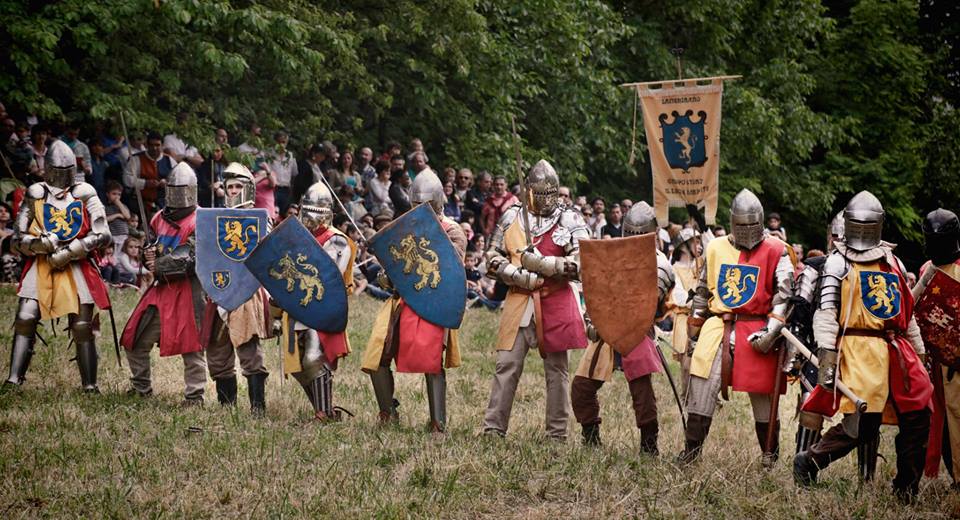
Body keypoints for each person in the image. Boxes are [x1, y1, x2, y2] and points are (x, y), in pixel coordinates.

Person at [794, 192, 932, 501]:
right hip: (857, 349)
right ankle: (809, 461)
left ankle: (906, 488)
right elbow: (826, 315)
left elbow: (904, 312)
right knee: (862, 426)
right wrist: (828, 359)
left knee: (919, 414)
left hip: (895, 348)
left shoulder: (891, 260)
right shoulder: (836, 262)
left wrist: (919, 352)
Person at [679, 189, 795, 464]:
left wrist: (771, 332)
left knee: (762, 394)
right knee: (702, 385)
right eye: (740, 224)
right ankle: (691, 451)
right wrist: (694, 332)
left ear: (761, 221)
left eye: (751, 224)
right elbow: (703, 292)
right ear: (731, 222)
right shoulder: (716, 247)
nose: (746, 230)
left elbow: (785, 295)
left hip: (758, 327)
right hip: (719, 324)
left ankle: (770, 454)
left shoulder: (778, 250)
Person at [481, 160, 589, 439]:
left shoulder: (571, 219)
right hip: (519, 300)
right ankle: (494, 427)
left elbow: (584, 263)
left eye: (548, 194)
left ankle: (556, 434)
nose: (542, 199)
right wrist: (516, 275)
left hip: (554, 299)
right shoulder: (512, 217)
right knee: (506, 365)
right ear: (528, 190)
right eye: (537, 193)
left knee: (556, 371)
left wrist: (543, 264)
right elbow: (491, 257)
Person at [362, 169, 467, 433]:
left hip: (434, 302)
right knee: (376, 356)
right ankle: (388, 413)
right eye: (417, 204)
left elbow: (452, 270)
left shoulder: (452, 230)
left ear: (439, 202)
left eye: (426, 205)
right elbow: (392, 273)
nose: (420, 209)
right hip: (401, 302)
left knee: (432, 360)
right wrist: (387, 275)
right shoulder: (404, 227)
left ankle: (437, 423)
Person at [5, 140, 112, 391]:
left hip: (76, 263)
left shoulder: (85, 192)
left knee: (82, 324)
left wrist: (72, 250)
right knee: (24, 317)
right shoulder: (35, 193)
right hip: (42, 263)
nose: (63, 175)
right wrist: (41, 244)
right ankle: (13, 378)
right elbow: (16, 239)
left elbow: (103, 233)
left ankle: (89, 384)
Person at [571, 201, 674, 450]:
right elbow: (597, 288)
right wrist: (593, 319)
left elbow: (648, 303)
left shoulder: (659, 264)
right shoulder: (611, 255)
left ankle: (649, 446)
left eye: (641, 234)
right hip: (607, 330)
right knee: (581, 387)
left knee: (642, 393)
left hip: (638, 333)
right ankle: (591, 439)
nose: (635, 238)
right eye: (631, 233)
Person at [120, 162, 208, 404]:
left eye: (182, 190)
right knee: (134, 337)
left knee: (192, 346)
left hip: (188, 290)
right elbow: (155, 245)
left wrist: (156, 264)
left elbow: (190, 258)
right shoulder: (159, 217)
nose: (178, 196)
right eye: (174, 190)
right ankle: (141, 388)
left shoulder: (202, 220)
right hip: (160, 290)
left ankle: (194, 396)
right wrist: (150, 251)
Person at [200, 162, 272, 414]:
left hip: (246, 291)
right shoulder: (212, 219)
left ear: (248, 189)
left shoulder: (261, 219)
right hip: (218, 290)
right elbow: (204, 255)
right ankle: (226, 408)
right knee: (218, 353)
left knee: (248, 349)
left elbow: (269, 256)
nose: (232, 191)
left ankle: (257, 409)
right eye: (229, 186)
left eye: (237, 186)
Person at [281, 181, 357, 420]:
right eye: (307, 213)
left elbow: (329, 275)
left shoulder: (337, 240)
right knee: (295, 365)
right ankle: (324, 409)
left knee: (314, 358)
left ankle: (323, 413)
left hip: (323, 307)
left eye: (316, 214)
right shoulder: (295, 235)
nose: (311, 220)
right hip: (297, 306)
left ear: (328, 215)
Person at [916, 209, 960, 485]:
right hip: (932, 357)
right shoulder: (925, 269)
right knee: (932, 416)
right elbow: (914, 307)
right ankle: (928, 472)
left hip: (957, 360)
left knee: (957, 415)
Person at [667, 227, 702, 397]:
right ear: (683, 247)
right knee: (687, 364)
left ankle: (707, 398)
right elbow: (680, 298)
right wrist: (699, 298)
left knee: (705, 360)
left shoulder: (702, 265)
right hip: (685, 319)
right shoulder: (673, 269)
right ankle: (687, 397)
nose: (699, 245)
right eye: (695, 242)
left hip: (703, 318)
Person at [124, 132, 175, 216]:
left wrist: (166, 182)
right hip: (140, 203)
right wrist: (145, 183)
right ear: (147, 145)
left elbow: (177, 178)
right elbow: (127, 178)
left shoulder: (169, 160)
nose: (154, 148)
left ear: (162, 146)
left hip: (163, 203)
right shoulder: (136, 159)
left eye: (157, 145)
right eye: (151, 145)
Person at [268, 131, 298, 215]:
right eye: (279, 142)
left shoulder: (290, 156)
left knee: (284, 213)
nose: (281, 145)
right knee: (273, 213)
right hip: (273, 188)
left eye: (284, 142)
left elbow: (294, 174)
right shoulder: (270, 155)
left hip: (285, 189)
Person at [103, 181, 131, 252]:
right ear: (107, 194)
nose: (116, 197)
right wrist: (117, 215)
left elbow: (127, 216)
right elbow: (104, 220)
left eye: (119, 194)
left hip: (124, 235)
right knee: (115, 255)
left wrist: (119, 204)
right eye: (114, 194)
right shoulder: (105, 208)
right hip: (114, 236)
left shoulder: (123, 207)